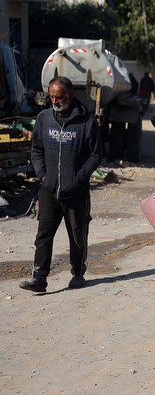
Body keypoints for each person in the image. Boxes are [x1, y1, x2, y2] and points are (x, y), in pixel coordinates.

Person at [19, 77, 101, 292]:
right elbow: (36, 150)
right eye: (52, 97)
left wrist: (79, 178)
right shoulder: (44, 118)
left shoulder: (87, 121)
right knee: (43, 235)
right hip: (49, 189)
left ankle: (78, 272)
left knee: (77, 235)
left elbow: (95, 155)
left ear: (70, 95)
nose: (55, 101)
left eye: (59, 97)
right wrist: (42, 175)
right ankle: (39, 277)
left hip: (76, 192)